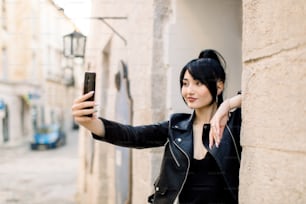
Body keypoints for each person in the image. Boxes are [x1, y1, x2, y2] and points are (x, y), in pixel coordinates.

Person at [72, 49, 242, 204]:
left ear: (219, 86)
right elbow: (133, 135)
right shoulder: (176, 127)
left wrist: (227, 105)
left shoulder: (234, 124)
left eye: (198, 83)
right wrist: (90, 123)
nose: (189, 91)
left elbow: (260, 91)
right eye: (185, 83)